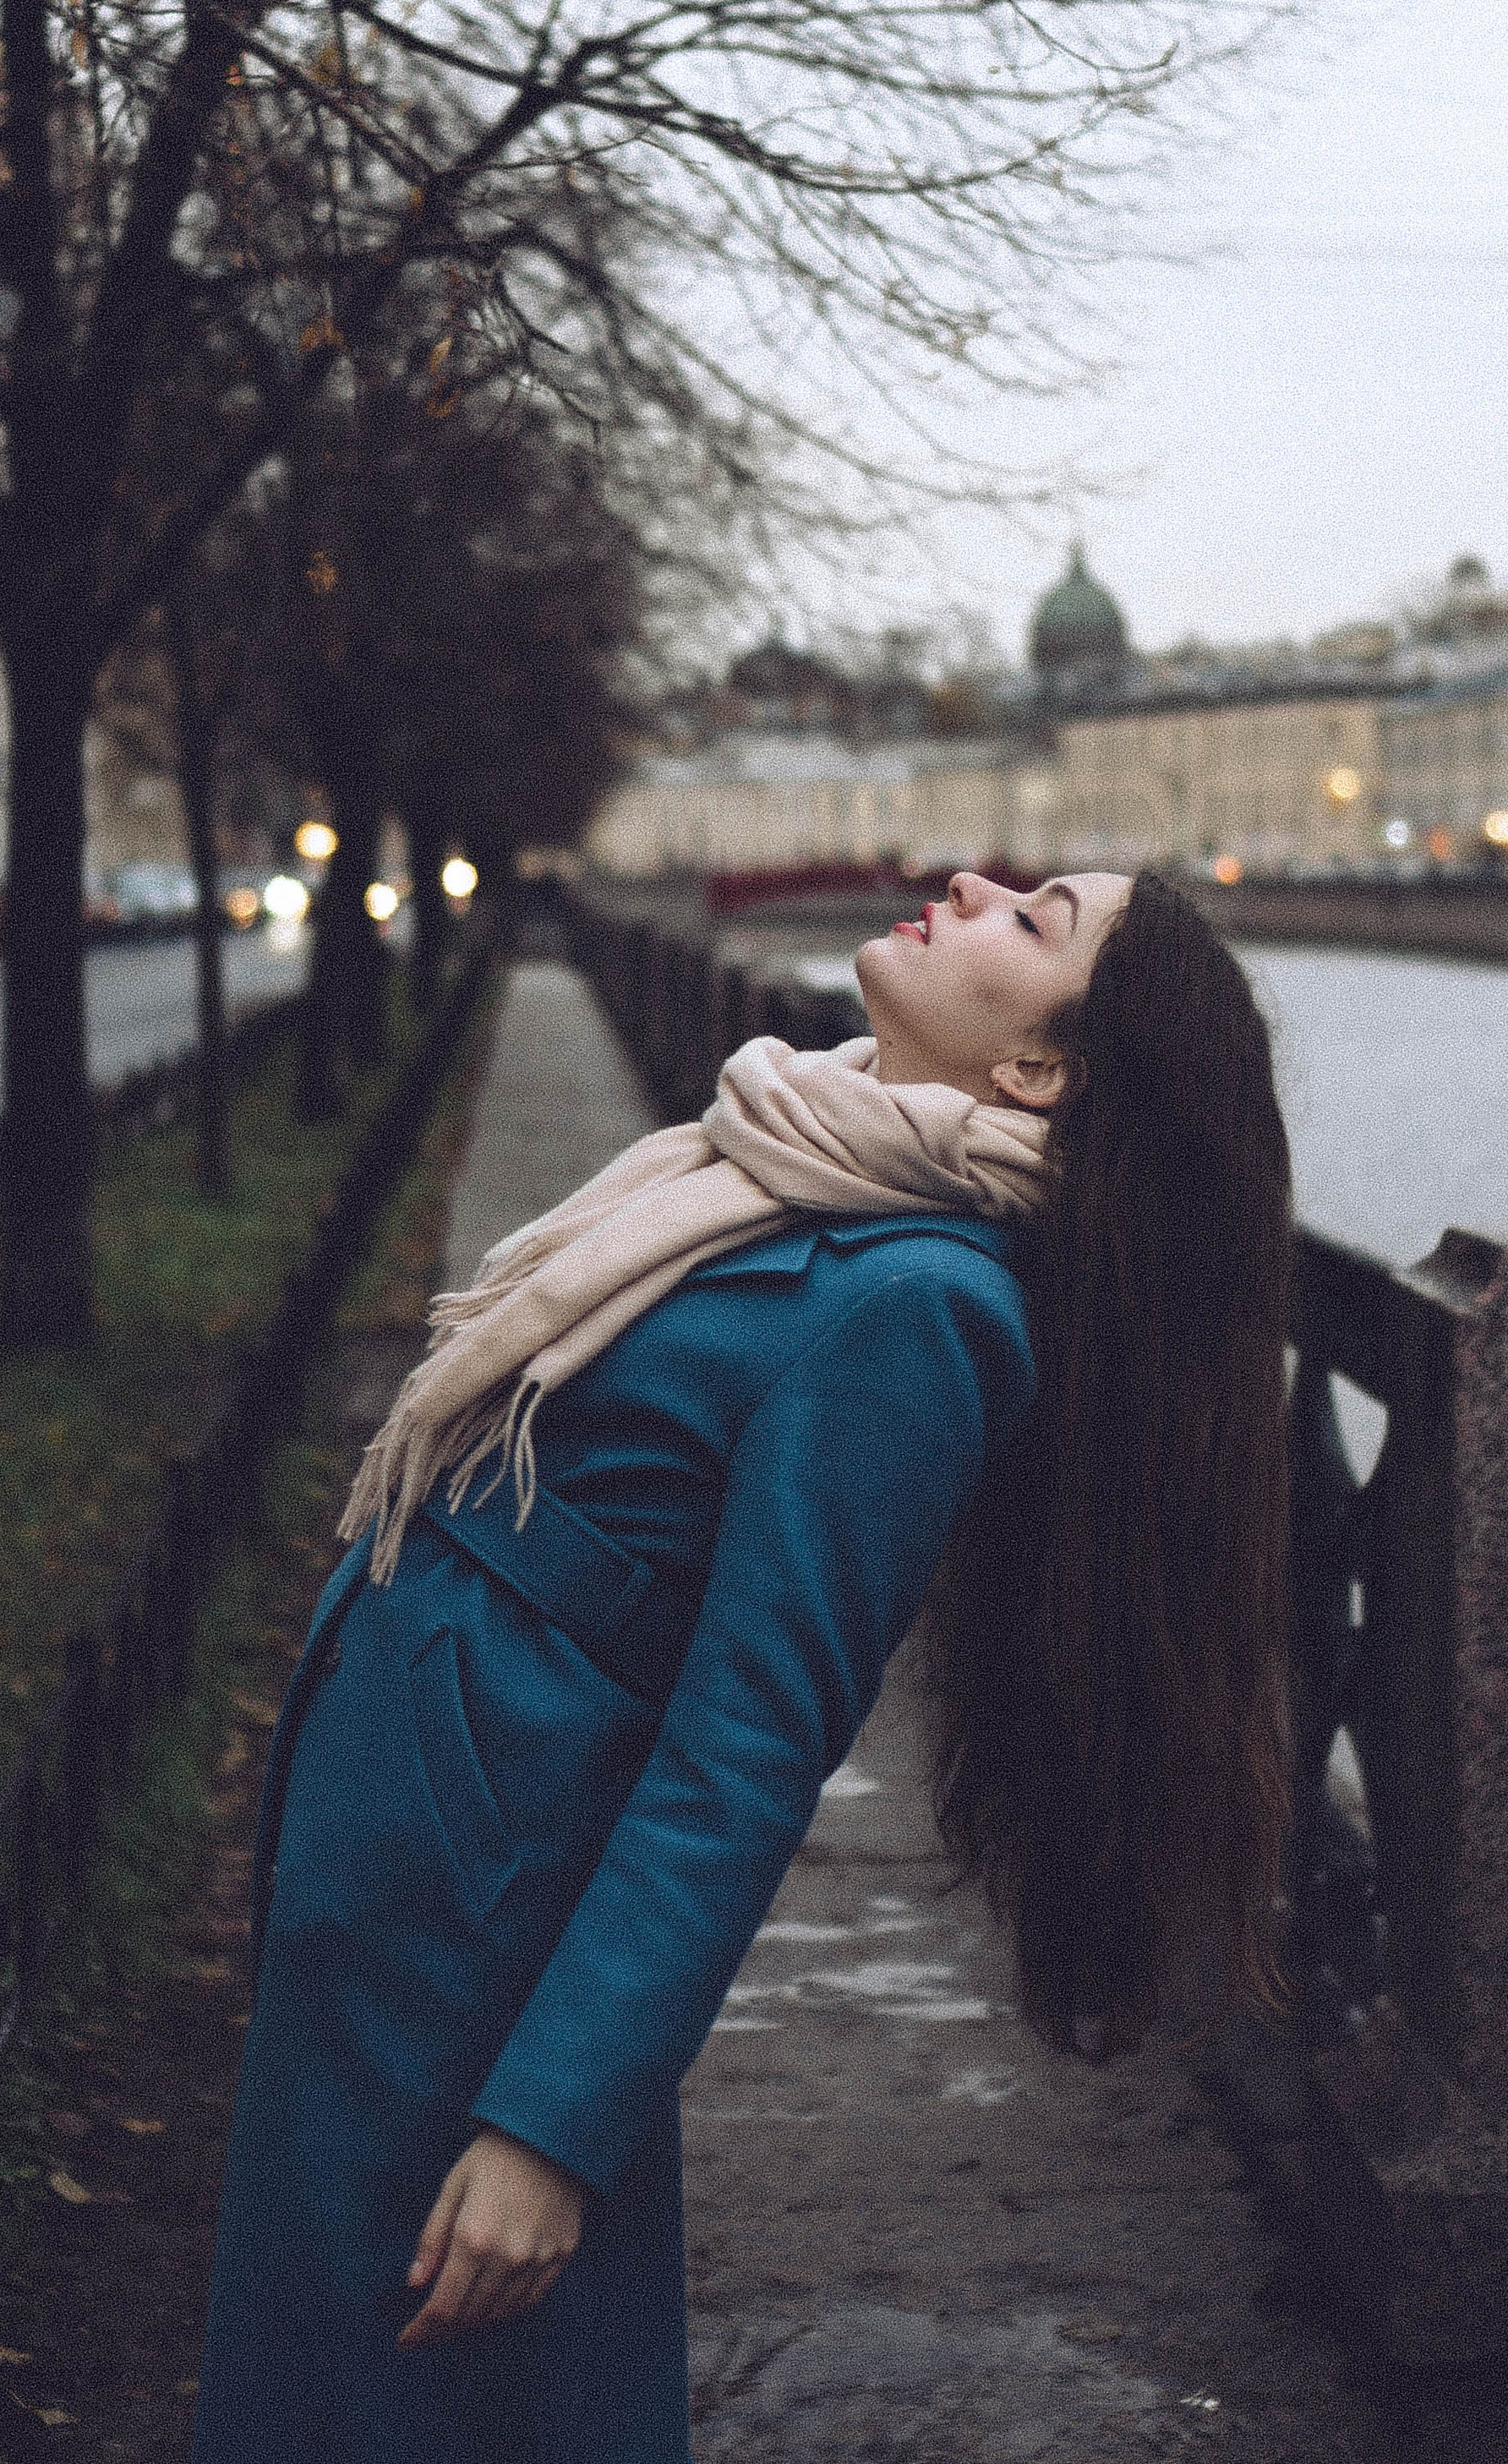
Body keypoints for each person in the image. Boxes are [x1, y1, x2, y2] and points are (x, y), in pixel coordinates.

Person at [192, 866, 1292, 2462]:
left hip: (494, 1916)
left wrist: (554, 2131)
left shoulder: (922, 1306)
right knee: (338, 2375)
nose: (971, 884)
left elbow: (749, 1751)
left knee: (403, 2395)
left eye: (1032, 918)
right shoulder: (797, 1161)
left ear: (1042, 1070)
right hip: (419, 1854)